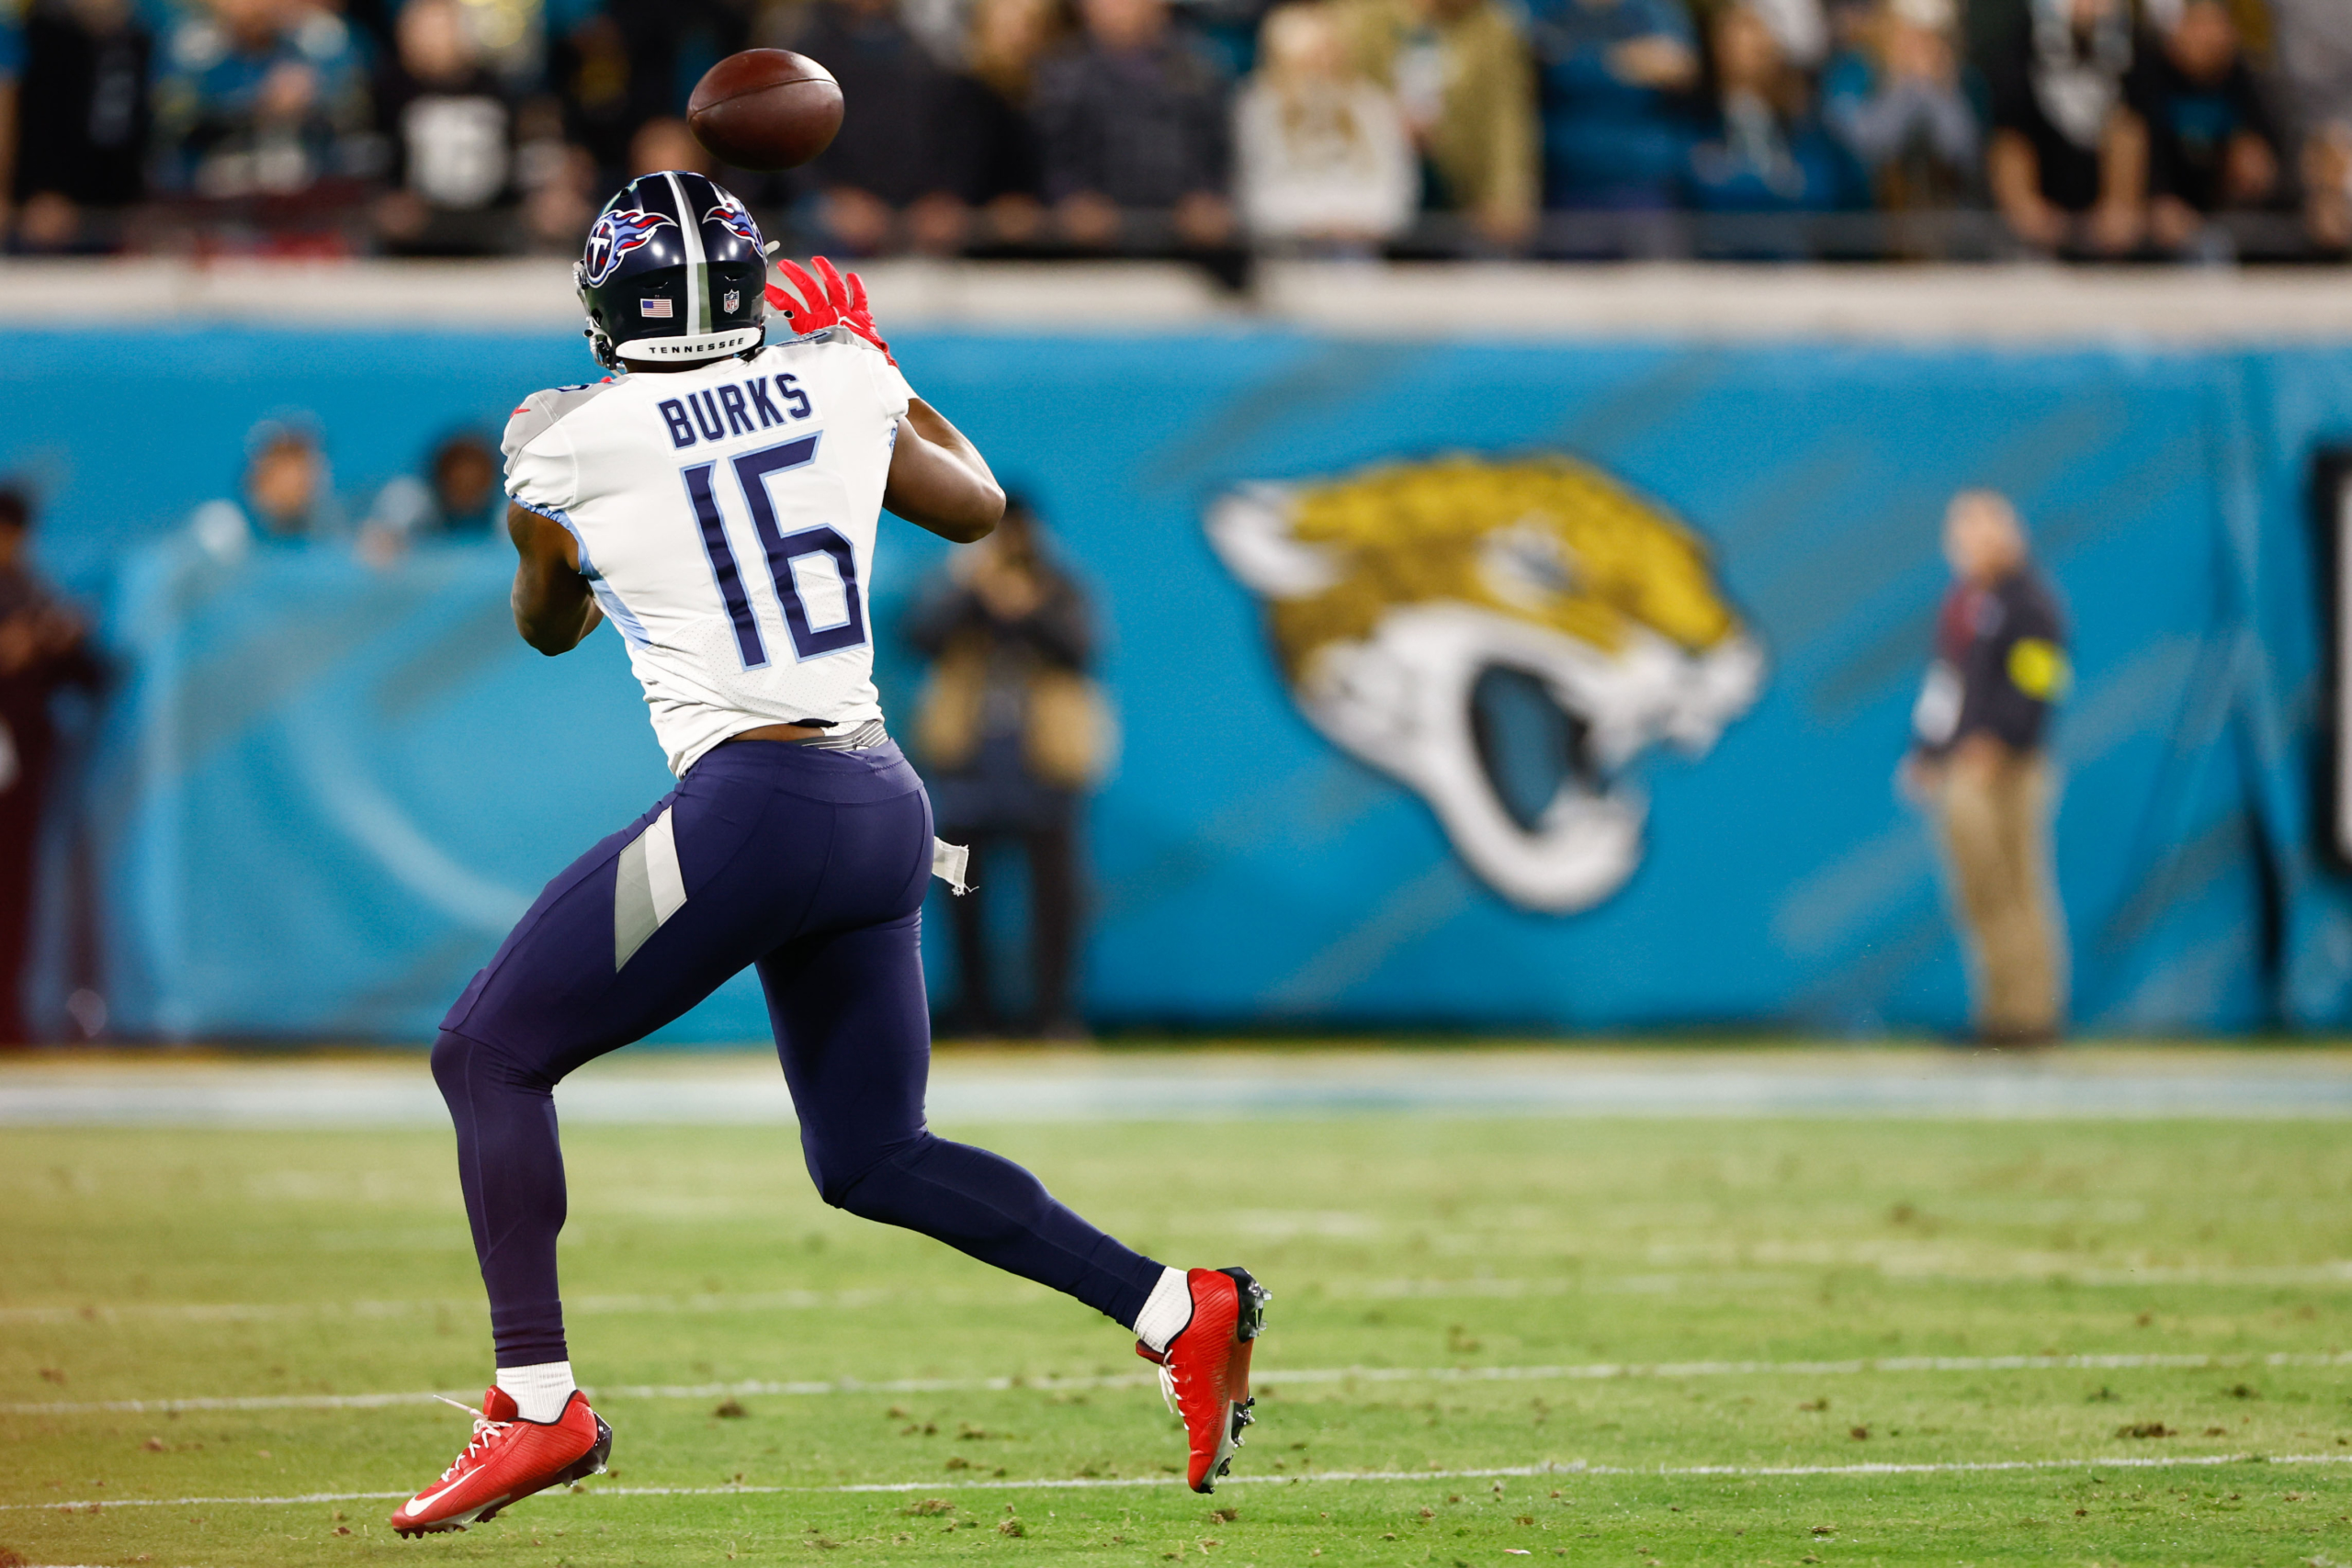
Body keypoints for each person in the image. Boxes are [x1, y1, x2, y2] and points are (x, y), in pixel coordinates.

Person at [389, 172, 1267, 1538]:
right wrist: (889, 372)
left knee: (486, 1051)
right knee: (871, 1151)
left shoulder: (560, 441)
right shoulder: (840, 376)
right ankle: (1176, 1304)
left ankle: (541, 1398)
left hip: (751, 806)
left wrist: (543, 537)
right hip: (879, 803)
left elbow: (548, 626)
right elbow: (975, 508)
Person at [908, 497, 1106, 1038]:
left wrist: (1029, 609)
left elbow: (1084, 651)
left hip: (1045, 758)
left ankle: (1053, 1012)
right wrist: (974, 590)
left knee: (1056, 895)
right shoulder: (960, 585)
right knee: (962, 890)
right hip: (970, 758)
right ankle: (974, 1011)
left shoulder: (1062, 586)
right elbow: (919, 639)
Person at [1901, 490, 2069, 1046]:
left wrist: (2001, 740)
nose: (1968, 545)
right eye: (1961, 533)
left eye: (1979, 531)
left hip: (2010, 772)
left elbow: (2040, 684)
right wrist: (1927, 751)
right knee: (1979, 892)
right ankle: (1998, 1014)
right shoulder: (1964, 605)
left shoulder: (2031, 604)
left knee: (2018, 888)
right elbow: (1946, 687)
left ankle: (2032, 1015)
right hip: (1963, 771)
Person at [0, 487, 100, 1046]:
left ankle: (7, 1013)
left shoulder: (31, 590)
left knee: (12, 893)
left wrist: (61, 642)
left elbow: (88, 674)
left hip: (21, 769)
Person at [1031, 0, 1237, 251]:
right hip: (1093, 243)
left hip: (1183, 240)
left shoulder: (1198, 68)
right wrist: (1071, 199)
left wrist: (1208, 197)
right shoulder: (1061, 71)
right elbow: (1051, 153)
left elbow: (1217, 149)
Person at [774, 0, 971, 254]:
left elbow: (948, 136)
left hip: (908, 213)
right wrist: (828, 198)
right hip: (822, 209)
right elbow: (785, 138)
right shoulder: (804, 51)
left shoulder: (921, 53)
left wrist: (941, 195)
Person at [1340, 0, 1536, 249]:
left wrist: (1508, 196)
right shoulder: (1366, 17)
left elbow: (1506, 120)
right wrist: (1389, 124)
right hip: (1375, 186)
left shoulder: (1492, 27)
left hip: (1461, 190)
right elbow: (1346, 97)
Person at [1233, 1, 1417, 249]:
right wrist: (1312, 223)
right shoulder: (1258, 104)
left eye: (1330, 52)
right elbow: (1253, 190)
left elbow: (1396, 189)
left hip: (1365, 244)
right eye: (1313, 57)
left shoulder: (1372, 104)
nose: (1324, 64)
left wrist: (1357, 222)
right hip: (1285, 244)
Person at [151, 0, 371, 203]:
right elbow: (170, 120)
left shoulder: (319, 38)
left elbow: (358, 109)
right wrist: (253, 105)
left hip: (309, 200)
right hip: (209, 199)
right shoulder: (190, 45)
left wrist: (315, 97)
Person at [1984, 0, 2146, 254]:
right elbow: (2009, 131)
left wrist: (2124, 205)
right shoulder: (2021, 42)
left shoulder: (2136, 45)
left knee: (2127, 130)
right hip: (2045, 189)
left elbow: (2140, 123)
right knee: (2011, 143)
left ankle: (2117, 213)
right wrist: (2025, 205)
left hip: (2109, 206)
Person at [1521, 0, 1695, 229]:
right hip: (1566, 183)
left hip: (1644, 184)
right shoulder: (1540, 9)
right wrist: (1615, 60)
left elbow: (1680, 66)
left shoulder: (1655, 9)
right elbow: (1547, 67)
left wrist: (1578, 58)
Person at [2127, 0, 2281, 253]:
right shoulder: (2148, 76)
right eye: (2200, 26)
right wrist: (2156, 198)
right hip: (2159, 220)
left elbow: (2268, 152)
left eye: (2218, 26)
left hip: (2225, 217)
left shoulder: (2242, 79)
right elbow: (2139, 148)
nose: (2210, 37)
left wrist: (2258, 166)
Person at [370, 0, 519, 255]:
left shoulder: (497, 90)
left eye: (442, 29)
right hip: (412, 238)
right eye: (423, 30)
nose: (433, 41)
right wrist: (386, 201)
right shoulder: (388, 91)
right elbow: (371, 159)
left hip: (493, 229)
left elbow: (521, 157)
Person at [10, 0, 152, 253]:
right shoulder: (40, 33)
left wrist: (133, 199)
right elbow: (31, 121)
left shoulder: (137, 37)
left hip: (113, 212)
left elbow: (132, 125)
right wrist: (40, 190)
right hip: (46, 209)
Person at [1821, 0, 1981, 212]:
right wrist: (1904, 86)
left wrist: (1940, 91)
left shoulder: (1965, 78)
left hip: (1947, 221)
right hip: (1865, 220)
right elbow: (1861, 149)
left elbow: (1965, 155)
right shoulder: (1850, 72)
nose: (1920, 43)